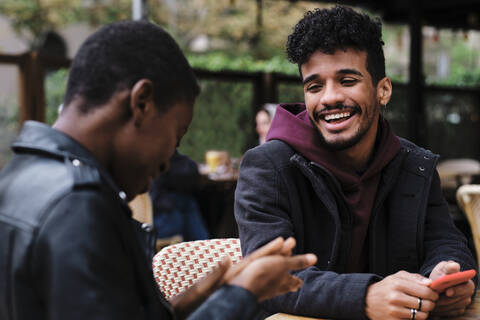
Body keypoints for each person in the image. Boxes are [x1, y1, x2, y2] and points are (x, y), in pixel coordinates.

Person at [0, 21, 317, 320]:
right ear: (142, 102)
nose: (168, 161)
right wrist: (242, 294)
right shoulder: (77, 206)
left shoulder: (19, 176)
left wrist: (192, 301)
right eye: (175, 138)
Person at [234, 5, 478, 320]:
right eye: (314, 86)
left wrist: (446, 276)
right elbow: (269, 279)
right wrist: (365, 296)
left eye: (347, 80)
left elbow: (448, 243)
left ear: (383, 90)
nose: (329, 98)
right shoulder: (267, 167)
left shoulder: (415, 166)